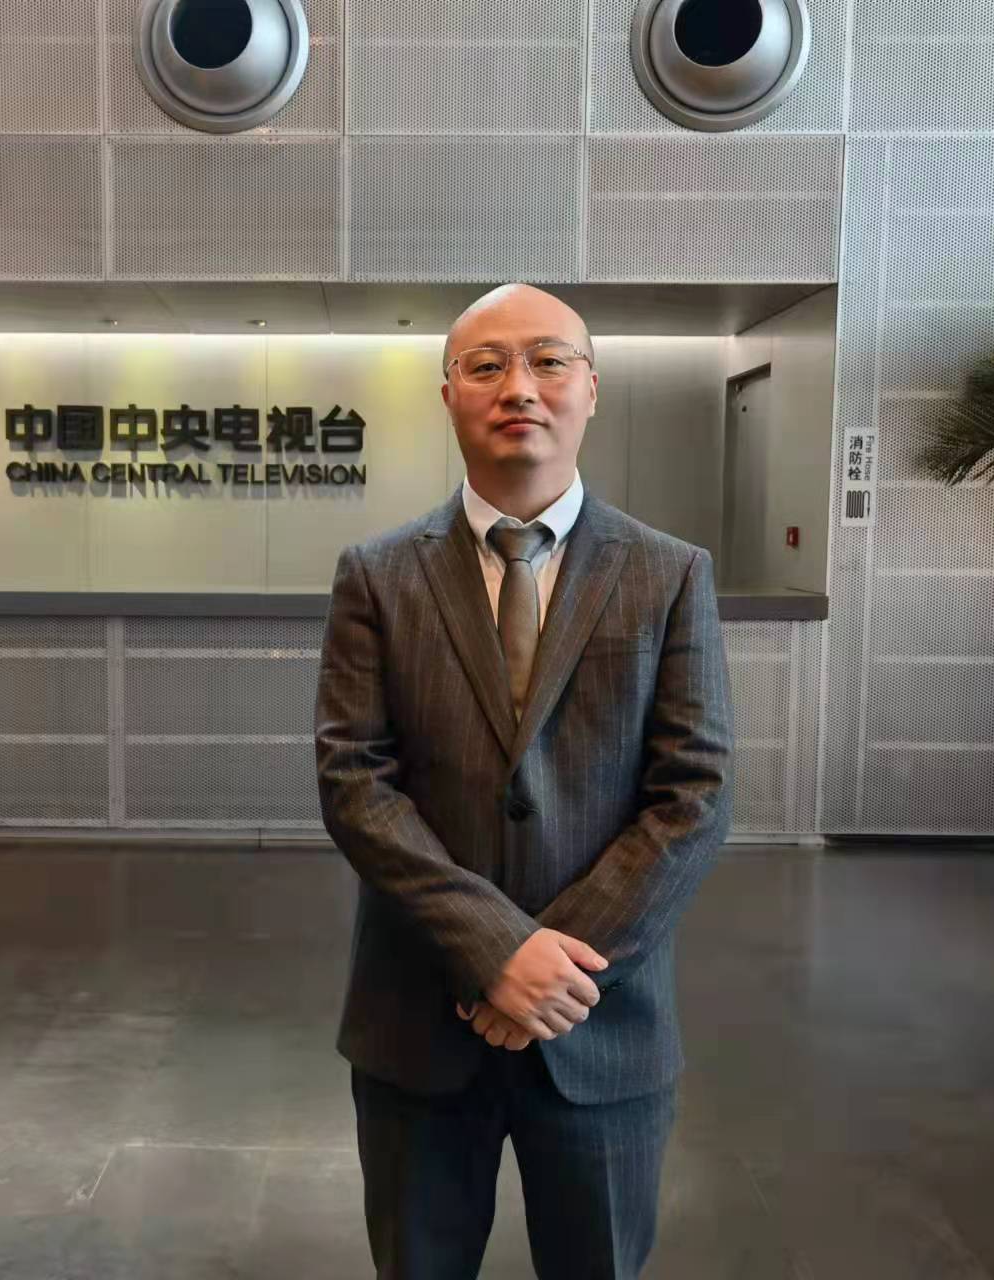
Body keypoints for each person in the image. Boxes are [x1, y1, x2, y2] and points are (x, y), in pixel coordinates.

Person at [314, 283, 733, 1279]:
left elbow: (694, 790)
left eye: (548, 360)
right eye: (487, 364)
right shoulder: (377, 574)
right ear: (448, 392)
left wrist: (554, 967)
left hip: (603, 1022)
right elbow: (355, 780)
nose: (519, 387)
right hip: (417, 1023)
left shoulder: (669, 572)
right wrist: (494, 951)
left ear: (590, 387)